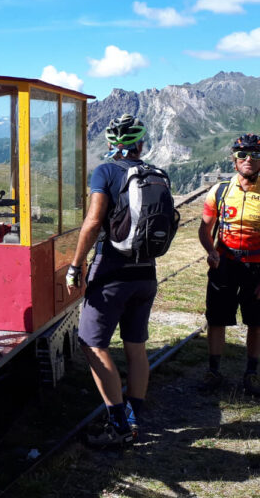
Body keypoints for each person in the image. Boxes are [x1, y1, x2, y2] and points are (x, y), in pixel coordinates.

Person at [66, 114, 158, 448]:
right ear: (141, 145)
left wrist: (76, 266)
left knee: (92, 343)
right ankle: (134, 418)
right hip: (146, 273)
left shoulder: (106, 171)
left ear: (110, 145)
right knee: (136, 347)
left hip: (112, 271)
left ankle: (118, 426)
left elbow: (92, 223)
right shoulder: (155, 174)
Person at [198, 133, 260, 396]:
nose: (248, 159)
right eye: (242, 155)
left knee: (256, 321)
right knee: (216, 319)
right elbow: (205, 229)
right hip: (224, 264)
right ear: (234, 160)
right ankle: (213, 371)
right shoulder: (219, 191)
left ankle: (251, 373)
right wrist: (209, 250)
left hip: (259, 267)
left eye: (256, 155)